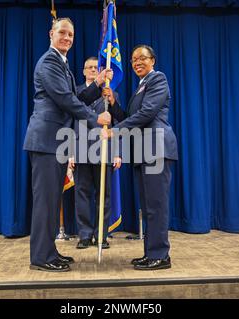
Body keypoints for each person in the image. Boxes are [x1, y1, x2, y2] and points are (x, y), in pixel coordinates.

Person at [23, 18, 112, 272]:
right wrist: (96, 118)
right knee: (45, 202)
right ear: (51, 33)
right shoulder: (49, 62)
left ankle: (49, 251)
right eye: (62, 32)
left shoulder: (63, 65)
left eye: (71, 34)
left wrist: (96, 85)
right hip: (46, 141)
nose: (67, 37)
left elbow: (75, 97)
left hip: (57, 143)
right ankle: (41, 257)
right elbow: (65, 100)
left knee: (52, 201)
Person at [103, 45, 178, 270]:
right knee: (148, 207)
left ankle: (161, 256)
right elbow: (130, 116)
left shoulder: (158, 79)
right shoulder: (141, 86)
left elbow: (147, 114)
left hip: (156, 149)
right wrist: (114, 103)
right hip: (143, 152)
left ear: (152, 60)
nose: (137, 62)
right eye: (134, 59)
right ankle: (151, 253)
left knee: (156, 205)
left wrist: (114, 131)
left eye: (142, 58)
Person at [69, 57, 122, 250]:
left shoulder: (110, 94)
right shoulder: (76, 93)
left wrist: (117, 153)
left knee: (104, 195)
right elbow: (70, 124)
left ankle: (101, 235)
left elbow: (117, 123)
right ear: (83, 71)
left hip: (104, 151)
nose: (92, 70)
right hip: (81, 150)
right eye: (89, 68)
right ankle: (84, 235)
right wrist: (70, 153)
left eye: (95, 67)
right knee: (82, 194)